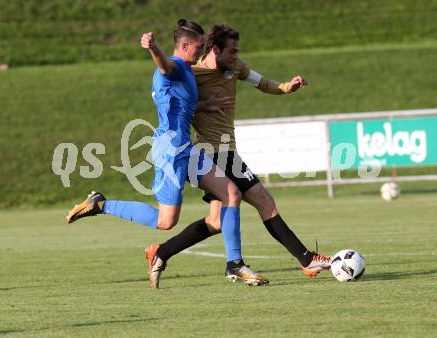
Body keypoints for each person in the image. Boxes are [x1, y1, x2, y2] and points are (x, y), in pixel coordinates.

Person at [65, 20, 269, 289]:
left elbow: (184, 103)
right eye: (197, 47)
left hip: (186, 148)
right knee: (165, 221)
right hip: (171, 151)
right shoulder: (173, 67)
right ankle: (101, 204)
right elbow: (163, 65)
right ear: (185, 46)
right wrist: (153, 47)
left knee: (231, 193)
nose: (201, 50)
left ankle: (235, 264)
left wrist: (207, 105)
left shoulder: (186, 70)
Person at [145, 24, 332, 289]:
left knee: (216, 221)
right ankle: (305, 259)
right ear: (215, 49)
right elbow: (173, 101)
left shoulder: (237, 68)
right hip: (213, 152)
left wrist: (286, 87)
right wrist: (205, 105)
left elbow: (262, 83)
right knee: (265, 202)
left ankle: (162, 252)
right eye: (231, 52)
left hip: (227, 150)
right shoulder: (192, 73)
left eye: (237, 52)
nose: (236, 57)